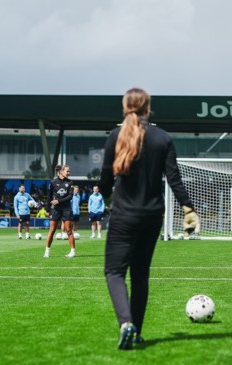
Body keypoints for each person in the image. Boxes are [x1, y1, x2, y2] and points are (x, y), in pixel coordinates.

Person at [100, 88, 200, 350]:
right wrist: (188, 209)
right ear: (148, 108)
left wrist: (106, 196)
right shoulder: (162, 138)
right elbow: (174, 178)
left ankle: (126, 324)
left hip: (124, 215)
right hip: (153, 215)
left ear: (125, 107)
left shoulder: (115, 135)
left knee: (114, 271)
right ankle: (138, 331)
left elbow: (105, 179)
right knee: (140, 274)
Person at [44, 165, 76, 258]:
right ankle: (47, 250)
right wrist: (48, 209)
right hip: (55, 209)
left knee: (68, 230)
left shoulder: (70, 182)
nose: (69, 173)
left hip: (66, 209)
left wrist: (58, 201)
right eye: (67, 171)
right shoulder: (53, 182)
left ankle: (73, 252)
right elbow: (49, 196)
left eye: (69, 171)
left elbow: (70, 197)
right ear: (61, 172)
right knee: (52, 230)